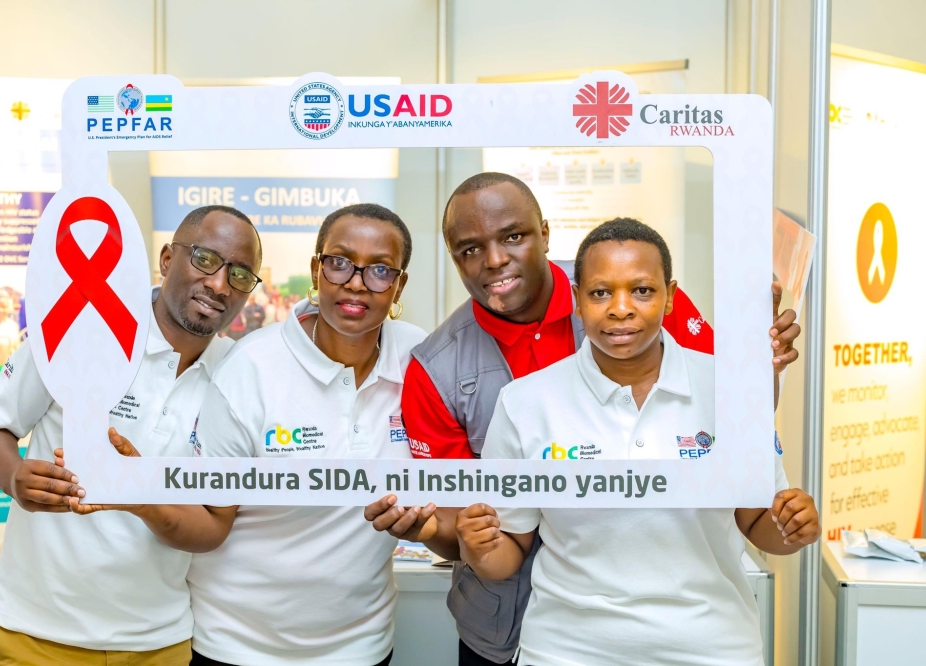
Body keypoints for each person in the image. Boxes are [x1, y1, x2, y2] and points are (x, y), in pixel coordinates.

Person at [363, 172, 802, 665]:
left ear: (545, 233)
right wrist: (437, 531)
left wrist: (763, 370)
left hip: (697, 635)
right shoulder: (443, 371)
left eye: (513, 236)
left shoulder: (627, 284)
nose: (494, 260)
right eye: (469, 248)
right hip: (528, 631)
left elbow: (734, 415)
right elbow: (469, 520)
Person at [71, 203, 423, 666]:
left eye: (379, 269)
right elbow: (213, 519)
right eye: (339, 262)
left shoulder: (420, 359)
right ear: (316, 270)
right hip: (234, 647)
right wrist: (139, 490)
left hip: (362, 647)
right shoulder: (252, 366)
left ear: (399, 284)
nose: (356, 282)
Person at [456, 218, 820, 665]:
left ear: (669, 297)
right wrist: (479, 547)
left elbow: (758, 524)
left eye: (642, 291)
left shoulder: (730, 389)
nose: (621, 308)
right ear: (576, 299)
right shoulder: (525, 404)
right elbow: (508, 553)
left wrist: (792, 526)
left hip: (711, 648)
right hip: (567, 651)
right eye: (600, 292)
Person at [0, 204, 262, 666]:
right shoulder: (79, 329)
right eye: (205, 260)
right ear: (167, 259)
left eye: (241, 275)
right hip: (33, 635)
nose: (220, 284)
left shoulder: (239, 374)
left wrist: (136, 491)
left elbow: (212, 525)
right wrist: (13, 478)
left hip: (157, 644)